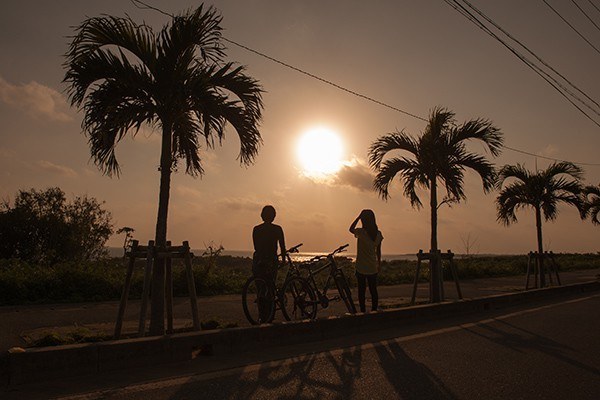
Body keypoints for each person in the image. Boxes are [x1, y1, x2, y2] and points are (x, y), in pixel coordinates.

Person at [349, 209, 383, 312]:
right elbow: (378, 251)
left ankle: (363, 311)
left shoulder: (361, 232)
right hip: (372, 266)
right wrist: (379, 264)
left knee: (361, 291)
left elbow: (351, 229)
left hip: (361, 266)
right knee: (373, 290)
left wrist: (358, 217)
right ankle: (374, 310)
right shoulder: (378, 234)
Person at [252, 205, 286, 285]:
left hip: (259, 259)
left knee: (260, 284)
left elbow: (256, 247)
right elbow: (282, 246)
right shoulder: (278, 229)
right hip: (272, 259)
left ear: (262, 216)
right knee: (271, 283)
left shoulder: (256, 229)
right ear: (273, 216)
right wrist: (283, 260)